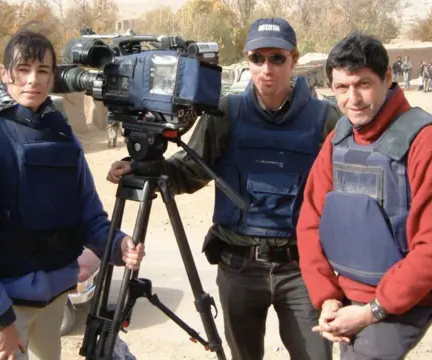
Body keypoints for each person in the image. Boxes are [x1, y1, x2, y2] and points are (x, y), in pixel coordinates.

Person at [107, 17, 340, 360]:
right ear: (247, 59)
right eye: (257, 58)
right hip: (239, 267)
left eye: (277, 58)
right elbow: (190, 170)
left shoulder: (325, 118)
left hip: (301, 271)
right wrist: (147, 169)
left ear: (294, 58)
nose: (267, 68)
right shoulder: (227, 113)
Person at [0, 29, 146, 360]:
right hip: (3, 305)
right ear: (4, 73)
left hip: (53, 302)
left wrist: (118, 245)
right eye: (23, 70)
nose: (32, 80)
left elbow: (88, 217)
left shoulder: (62, 135)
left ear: (53, 78)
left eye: (43, 71)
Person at [297, 32, 432, 359]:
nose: (353, 99)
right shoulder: (340, 138)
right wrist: (328, 298)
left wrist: (370, 312)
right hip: (349, 294)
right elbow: (310, 222)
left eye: (363, 84)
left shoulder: (431, 143)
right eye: (341, 88)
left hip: (408, 300)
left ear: (388, 77)